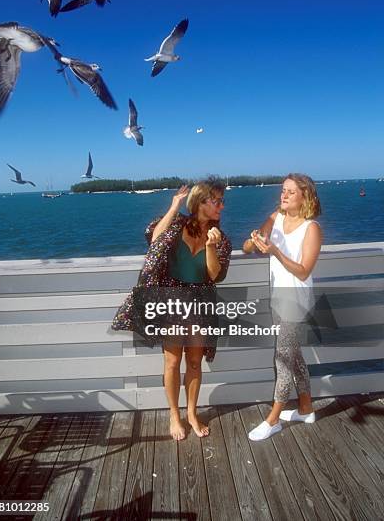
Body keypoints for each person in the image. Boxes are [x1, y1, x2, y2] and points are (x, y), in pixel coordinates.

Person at [112, 178, 232, 440]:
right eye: (217, 201)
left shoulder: (221, 239)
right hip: (171, 301)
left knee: (194, 362)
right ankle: (174, 415)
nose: (222, 207)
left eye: (222, 202)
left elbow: (214, 275)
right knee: (172, 361)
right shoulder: (177, 224)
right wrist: (174, 206)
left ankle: (191, 413)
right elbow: (154, 241)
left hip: (200, 303)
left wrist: (211, 247)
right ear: (201, 202)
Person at [243, 173, 322, 441]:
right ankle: (306, 408)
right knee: (294, 353)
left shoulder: (311, 228)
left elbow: (303, 271)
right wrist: (254, 241)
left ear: (305, 196)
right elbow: (247, 248)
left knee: (283, 359)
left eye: (290, 191)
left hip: (296, 300)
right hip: (278, 296)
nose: (283, 195)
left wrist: (275, 251)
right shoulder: (275, 217)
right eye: (282, 190)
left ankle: (273, 419)